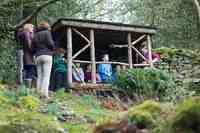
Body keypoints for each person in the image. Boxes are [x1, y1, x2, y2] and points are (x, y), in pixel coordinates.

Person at [32, 21, 55, 98]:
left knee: (40, 76)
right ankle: (44, 94)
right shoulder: (47, 33)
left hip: (38, 56)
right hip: (47, 55)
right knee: (46, 76)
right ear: (46, 26)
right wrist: (53, 48)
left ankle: (38, 93)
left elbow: (32, 48)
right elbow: (50, 44)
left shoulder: (35, 35)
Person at [17, 24, 35, 88]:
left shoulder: (22, 33)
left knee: (25, 70)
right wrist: (33, 50)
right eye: (32, 28)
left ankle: (24, 86)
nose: (33, 29)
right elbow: (29, 44)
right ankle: (28, 88)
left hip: (25, 55)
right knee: (30, 71)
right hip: (29, 56)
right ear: (28, 28)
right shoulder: (26, 33)